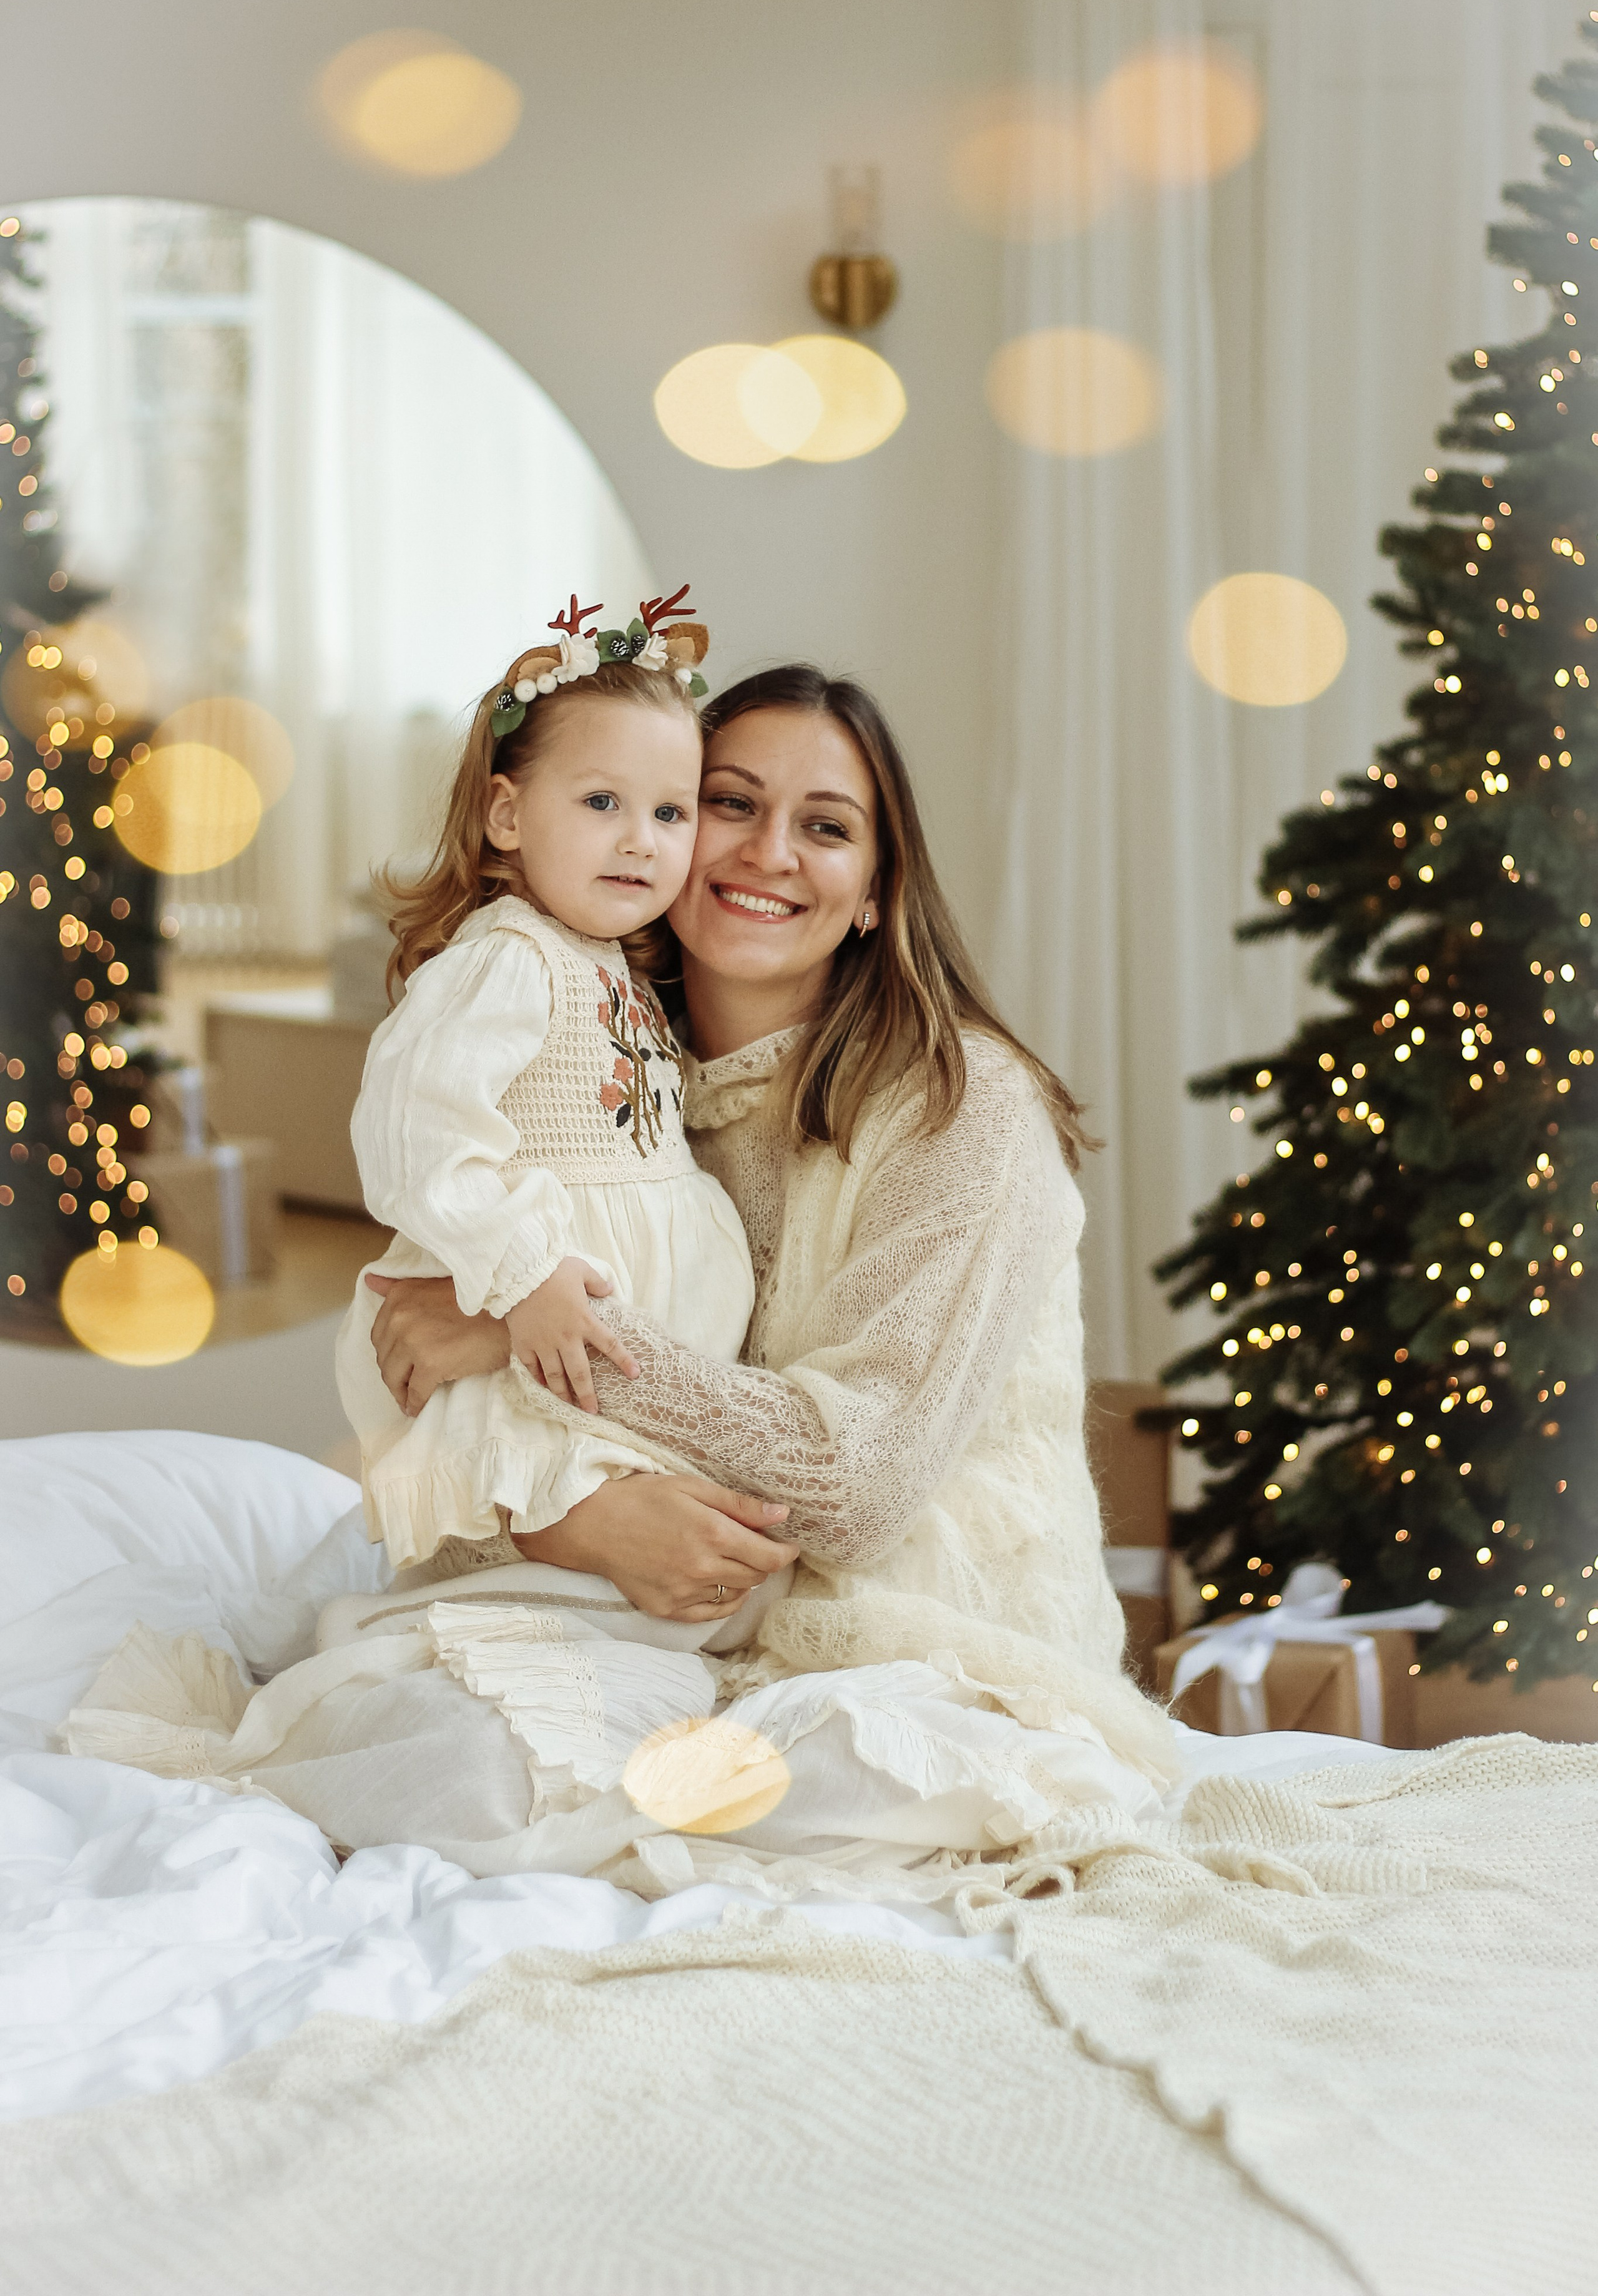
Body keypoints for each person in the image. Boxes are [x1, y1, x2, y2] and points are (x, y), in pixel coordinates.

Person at [68, 667, 1176, 1897]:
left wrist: (524, 1339)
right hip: (690, 1628)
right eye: (724, 803)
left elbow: (856, 1483)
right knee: (442, 1740)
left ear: (875, 894)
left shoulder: (964, 1110)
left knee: (841, 1768)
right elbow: (433, 1368)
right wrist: (567, 1518)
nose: (764, 852)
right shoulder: (610, 1076)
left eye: (824, 827)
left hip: (923, 1657)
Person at [330, 589, 762, 1648]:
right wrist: (524, 1272)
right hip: (528, 1329)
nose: (642, 842)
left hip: (605, 1363)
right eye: (602, 802)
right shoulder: (509, 958)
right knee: (532, 1569)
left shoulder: (609, 966)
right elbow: (413, 1131)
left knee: (651, 1602)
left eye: (671, 813)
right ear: (510, 815)